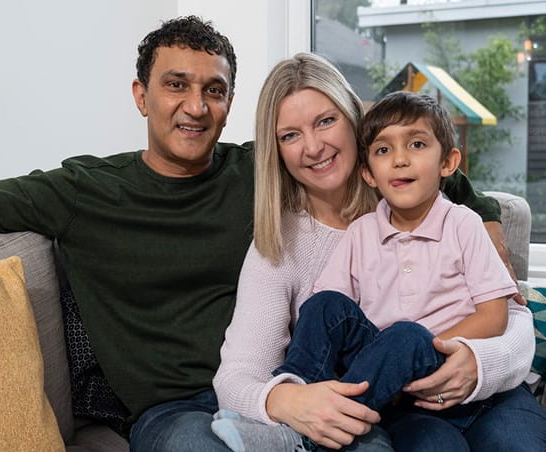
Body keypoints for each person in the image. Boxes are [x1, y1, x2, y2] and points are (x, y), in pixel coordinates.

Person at [0, 17, 527, 452]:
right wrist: (286, 400)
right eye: (175, 86)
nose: (196, 106)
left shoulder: (324, 173)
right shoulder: (89, 189)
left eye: (213, 89)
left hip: (368, 382)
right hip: (188, 404)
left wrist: (484, 217)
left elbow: (421, 155)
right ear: (141, 95)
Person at [212, 53, 540, 452]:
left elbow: (509, 315)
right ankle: (300, 428)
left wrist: (479, 363)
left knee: (512, 440)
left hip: (486, 381)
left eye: (326, 121)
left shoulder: (423, 192)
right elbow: (316, 320)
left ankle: (304, 437)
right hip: (401, 396)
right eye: (290, 135)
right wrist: (293, 402)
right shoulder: (291, 241)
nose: (314, 146)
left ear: (354, 123)